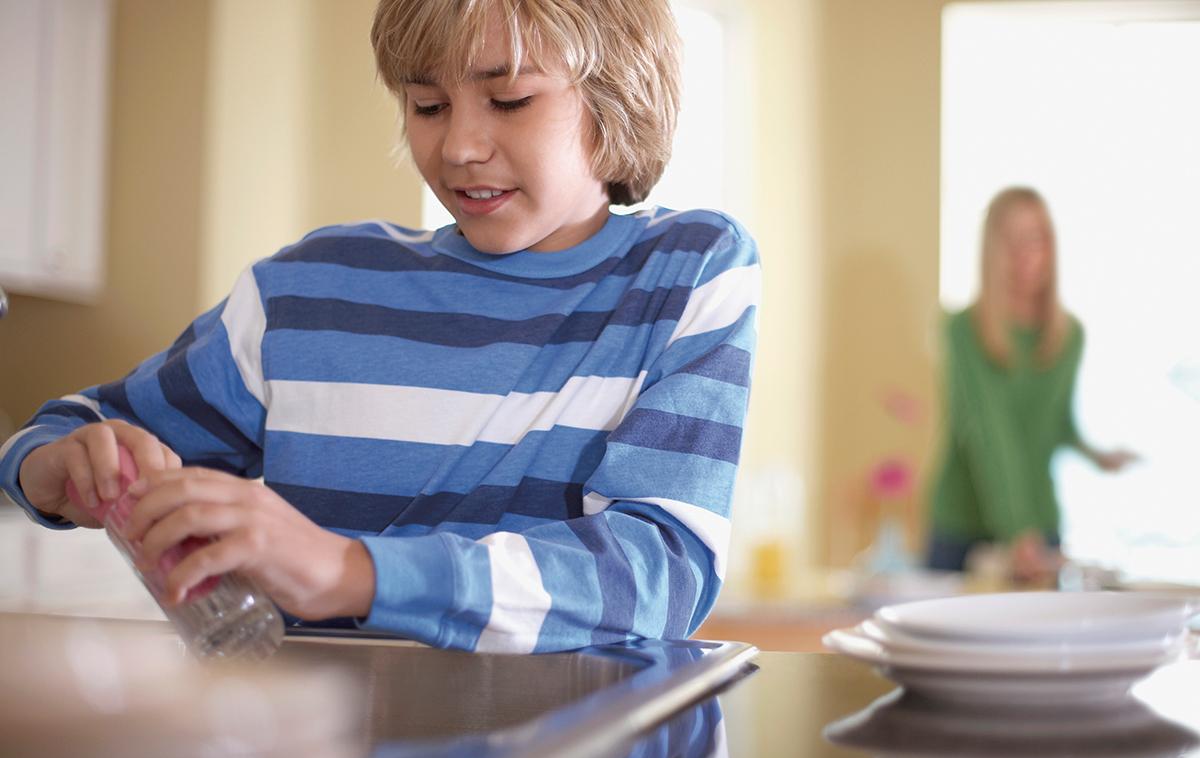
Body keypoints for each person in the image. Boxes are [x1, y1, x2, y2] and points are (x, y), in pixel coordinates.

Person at [0, 0, 760, 653]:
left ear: (616, 96)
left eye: (509, 100)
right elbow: (74, 428)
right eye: (427, 105)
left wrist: (348, 572)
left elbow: (660, 572)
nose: (458, 147)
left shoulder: (687, 271)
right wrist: (59, 469)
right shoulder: (310, 289)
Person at [926, 187, 1133, 582]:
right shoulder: (964, 331)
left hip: (1038, 525)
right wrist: (1017, 532)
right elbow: (988, 432)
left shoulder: (1068, 336)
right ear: (991, 249)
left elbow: (1053, 423)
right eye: (1011, 240)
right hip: (964, 526)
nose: (1024, 254)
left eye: (1035, 238)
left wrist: (1095, 453)